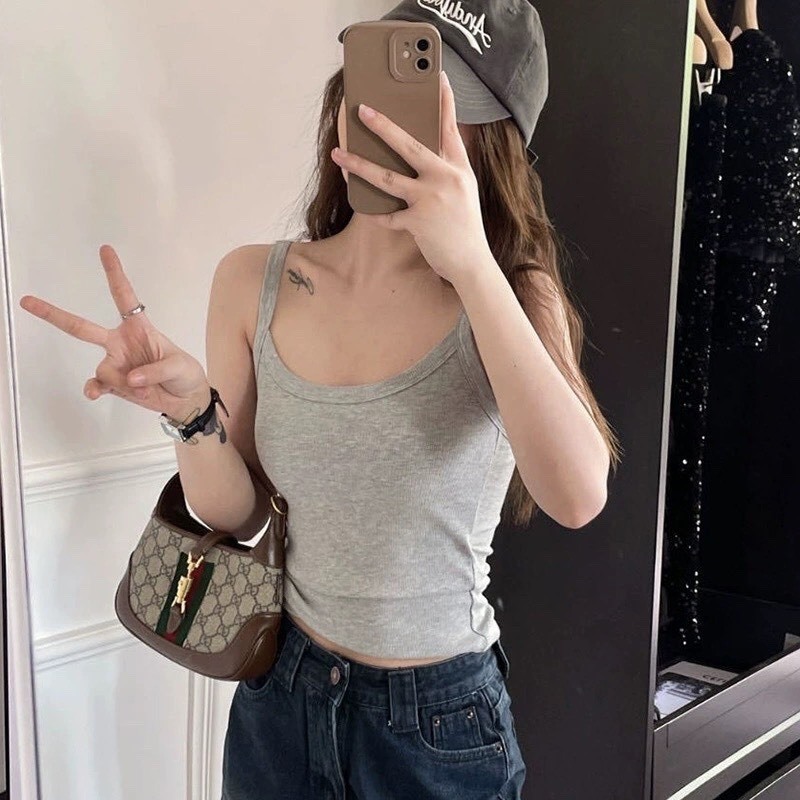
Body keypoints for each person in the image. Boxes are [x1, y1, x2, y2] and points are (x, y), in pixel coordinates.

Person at [19, 1, 620, 797]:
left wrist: (473, 265)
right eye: (376, 88)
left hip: (437, 726)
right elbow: (237, 514)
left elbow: (577, 497)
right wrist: (193, 411)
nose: (385, 122)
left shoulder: (511, 294)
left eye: (432, 106)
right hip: (281, 700)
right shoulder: (252, 280)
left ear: (491, 146)